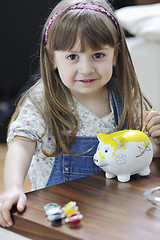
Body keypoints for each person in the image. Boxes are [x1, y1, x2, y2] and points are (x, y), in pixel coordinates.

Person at [0, 0, 160, 227]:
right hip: (62, 217)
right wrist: (13, 188)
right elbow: (21, 144)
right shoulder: (43, 101)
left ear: (115, 55)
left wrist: (155, 143)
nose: (86, 69)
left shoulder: (127, 98)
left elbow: (141, 152)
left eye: (98, 55)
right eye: (73, 57)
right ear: (53, 58)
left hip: (117, 212)